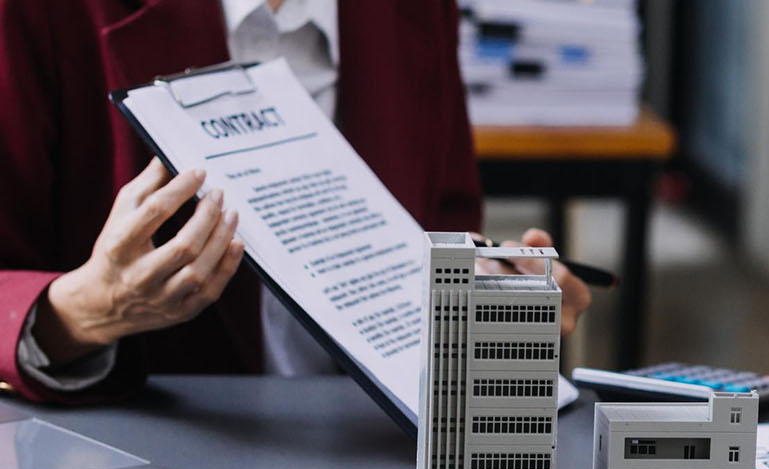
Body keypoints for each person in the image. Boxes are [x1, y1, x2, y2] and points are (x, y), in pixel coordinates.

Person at [0, 0, 590, 404]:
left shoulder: (413, 12)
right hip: (135, 466)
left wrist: (490, 290)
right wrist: (86, 310)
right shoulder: (42, 13)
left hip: (378, 463)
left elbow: (443, 225)